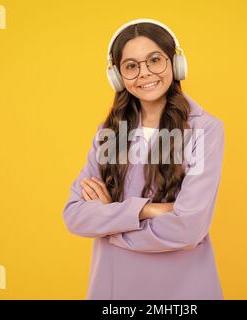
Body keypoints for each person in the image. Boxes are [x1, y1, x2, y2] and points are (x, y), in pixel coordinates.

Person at [62, 18, 226, 299]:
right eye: (131, 66)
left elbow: (187, 229)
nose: (145, 73)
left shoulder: (204, 129)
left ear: (175, 63)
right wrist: (146, 210)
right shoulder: (109, 133)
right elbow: (75, 216)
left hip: (184, 291)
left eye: (154, 60)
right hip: (115, 289)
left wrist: (110, 220)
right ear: (118, 76)